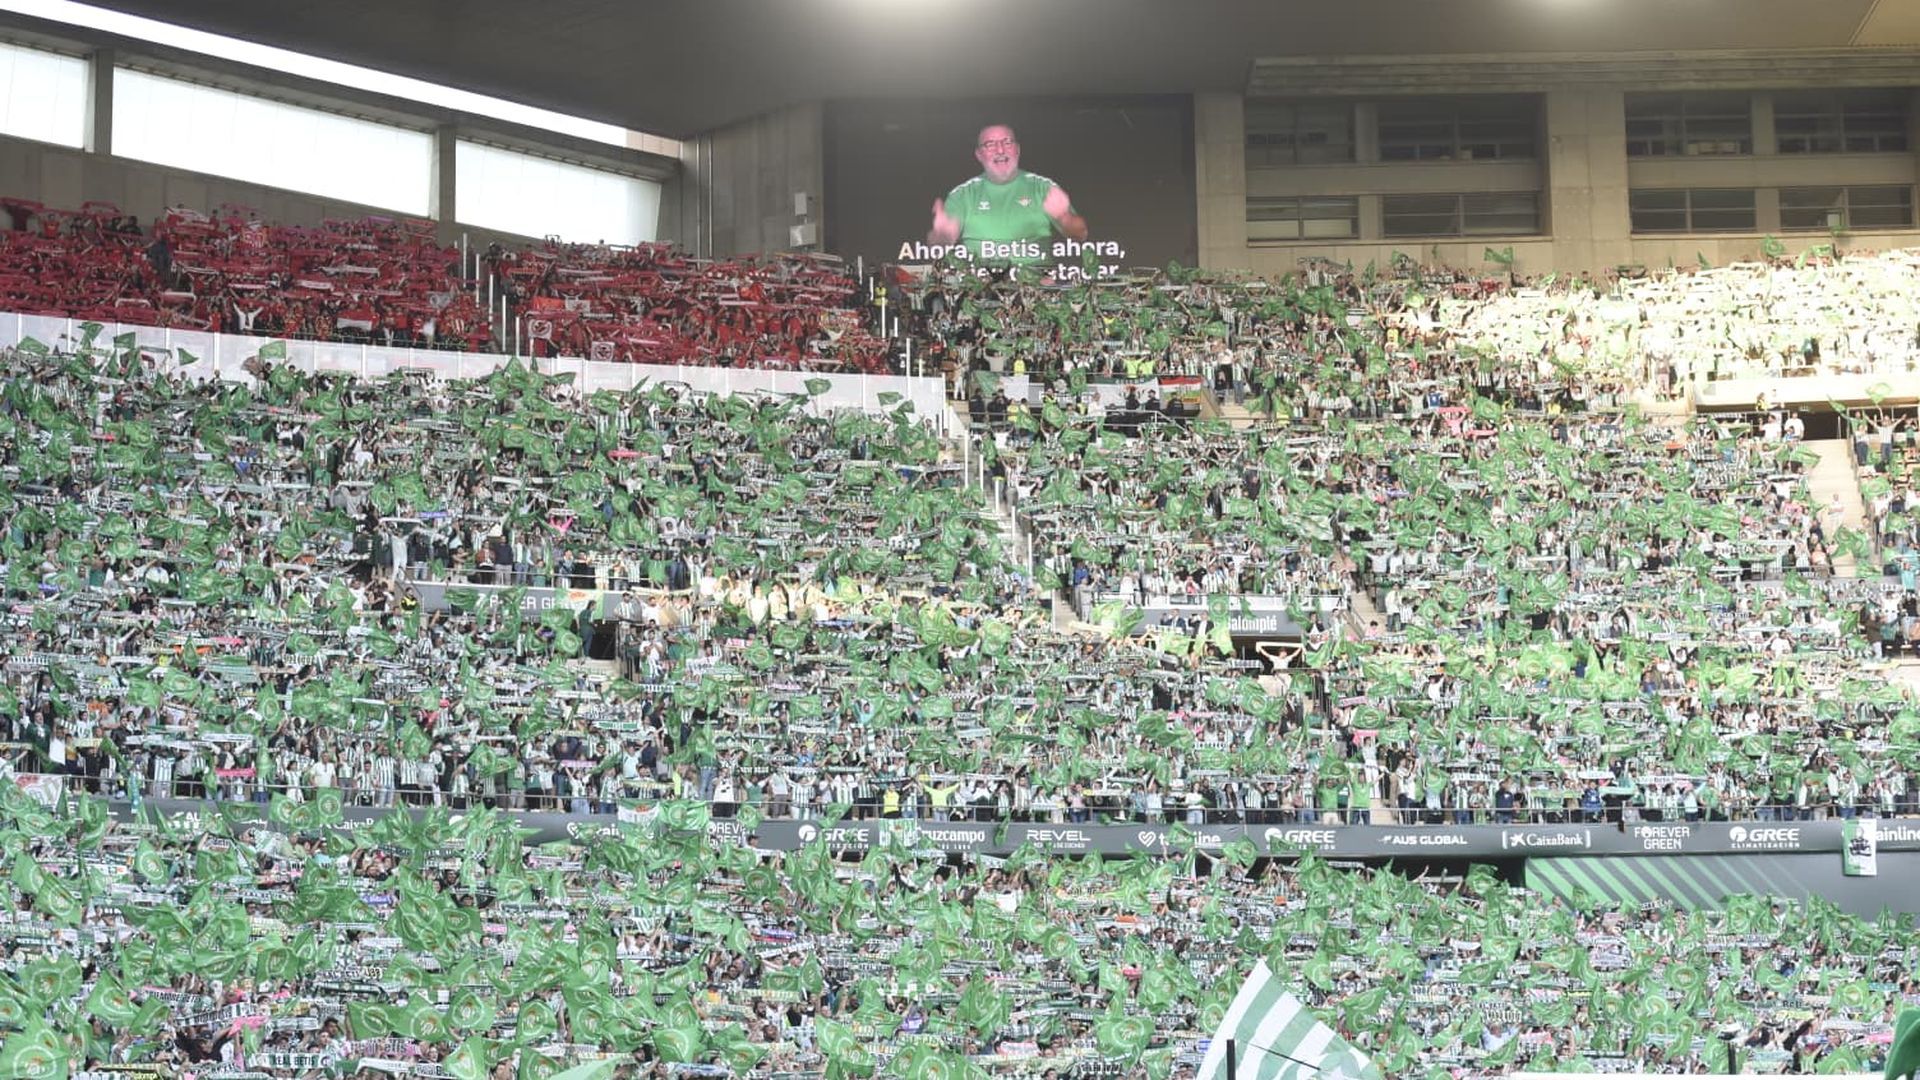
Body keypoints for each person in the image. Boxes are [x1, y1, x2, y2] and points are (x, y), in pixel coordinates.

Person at [927, 125, 1087, 264]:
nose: (1000, 150)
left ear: (1017, 150)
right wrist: (942, 234)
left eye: (1007, 142)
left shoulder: (1042, 187)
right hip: (981, 291)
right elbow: (940, 243)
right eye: (990, 145)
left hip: (1035, 291)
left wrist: (1065, 218)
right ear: (979, 155)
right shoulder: (962, 194)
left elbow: (1080, 234)